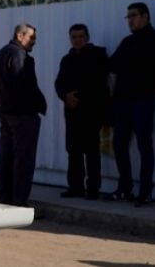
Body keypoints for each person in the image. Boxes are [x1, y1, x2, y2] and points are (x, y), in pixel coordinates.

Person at [107, 2, 155, 207]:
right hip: (122, 101)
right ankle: (125, 188)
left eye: (134, 15)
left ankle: (145, 192)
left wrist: (126, 65)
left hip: (143, 100)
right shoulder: (128, 41)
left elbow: (143, 65)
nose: (130, 20)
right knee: (119, 144)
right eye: (128, 16)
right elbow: (112, 64)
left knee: (143, 145)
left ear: (146, 16)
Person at [0, 23, 47, 207]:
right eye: (31, 38)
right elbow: (22, 84)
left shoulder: (2, 53)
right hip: (21, 114)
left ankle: (6, 196)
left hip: (7, 112)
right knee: (23, 159)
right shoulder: (18, 55)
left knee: (8, 157)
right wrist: (37, 105)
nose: (34, 42)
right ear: (20, 35)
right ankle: (19, 200)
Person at [54, 24, 109, 200]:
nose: (77, 40)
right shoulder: (67, 59)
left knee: (92, 152)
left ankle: (93, 188)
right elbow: (59, 83)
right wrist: (66, 96)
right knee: (73, 150)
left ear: (87, 37)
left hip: (92, 111)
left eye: (80, 36)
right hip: (72, 112)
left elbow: (100, 83)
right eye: (74, 37)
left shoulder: (98, 55)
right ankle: (75, 187)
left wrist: (81, 96)